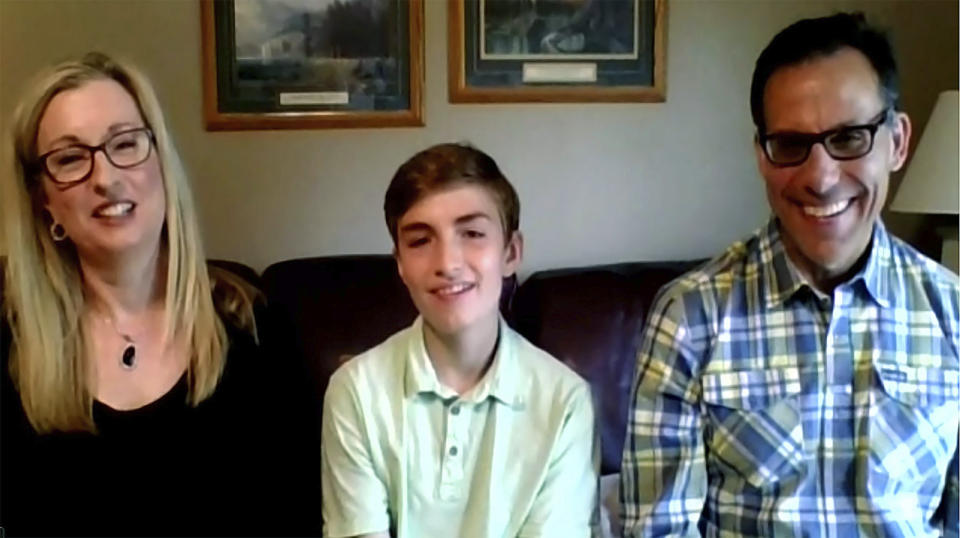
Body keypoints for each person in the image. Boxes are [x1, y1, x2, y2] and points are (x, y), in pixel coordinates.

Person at [620, 12, 959, 537]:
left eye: (849, 138)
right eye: (791, 145)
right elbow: (659, 530)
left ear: (898, 141)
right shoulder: (690, 316)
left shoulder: (953, 314)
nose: (821, 178)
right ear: (761, 155)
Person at [0, 52, 310, 536]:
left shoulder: (257, 331)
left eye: (126, 144)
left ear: (161, 161)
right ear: (44, 201)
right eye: (69, 158)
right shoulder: (9, 346)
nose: (105, 178)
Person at [320, 143, 598, 537]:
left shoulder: (565, 401)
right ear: (399, 263)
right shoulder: (356, 392)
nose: (447, 264)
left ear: (511, 252)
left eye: (472, 233)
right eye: (420, 241)